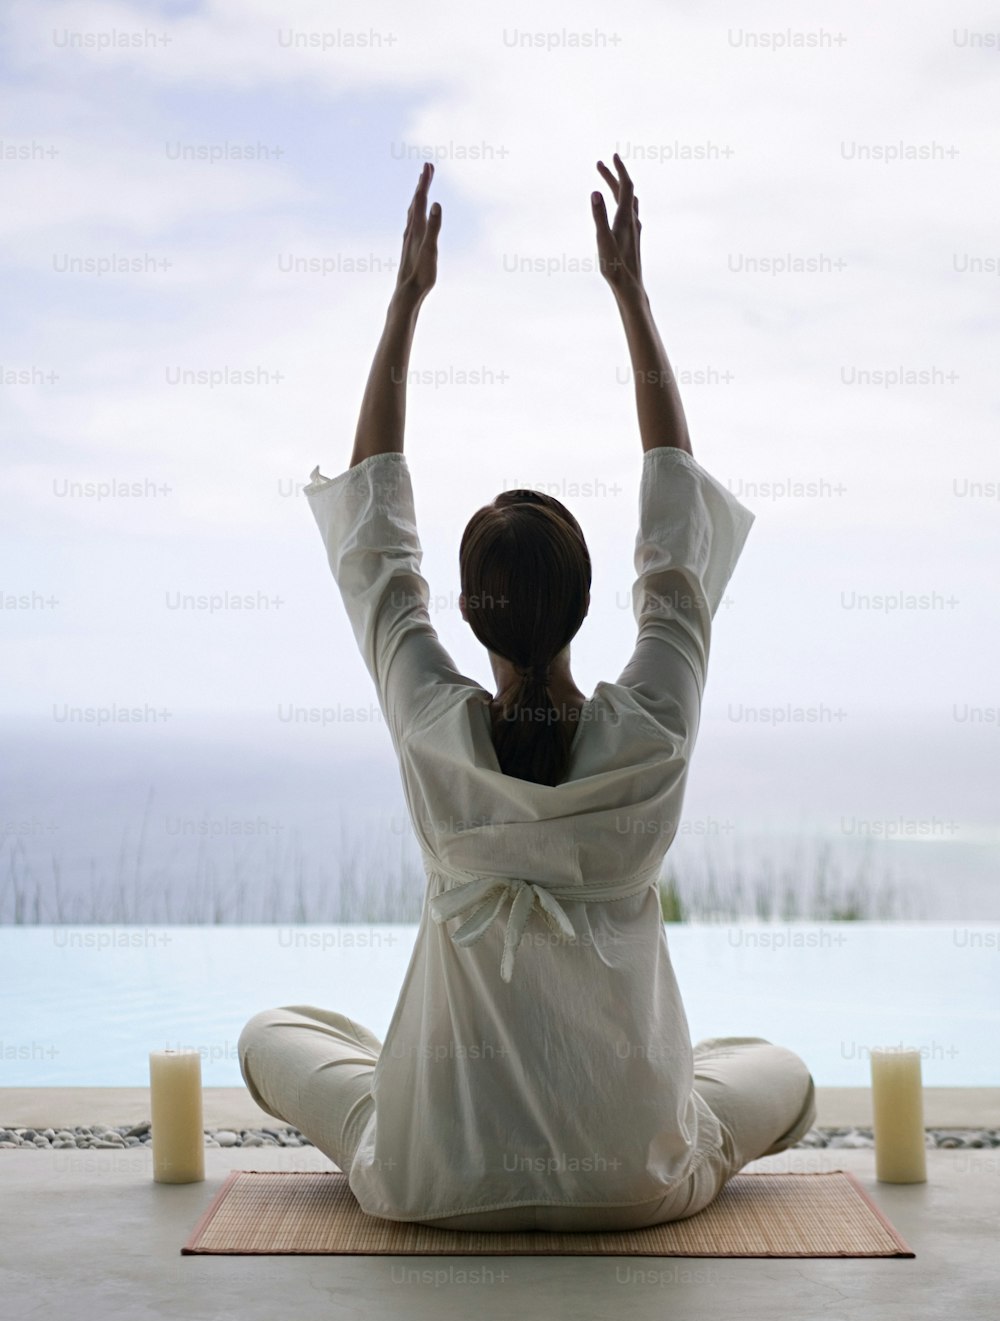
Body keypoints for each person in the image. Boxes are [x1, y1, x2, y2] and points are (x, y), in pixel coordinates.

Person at [239, 154, 816, 1232]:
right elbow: (678, 537)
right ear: (594, 599)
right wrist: (632, 296)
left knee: (274, 1033)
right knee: (774, 1068)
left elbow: (375, 545)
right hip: (630, 1183)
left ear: (468, 614)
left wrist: (405, 301)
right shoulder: (649, 727)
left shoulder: (433, 727)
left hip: (431, 1177)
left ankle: (421, 1098)